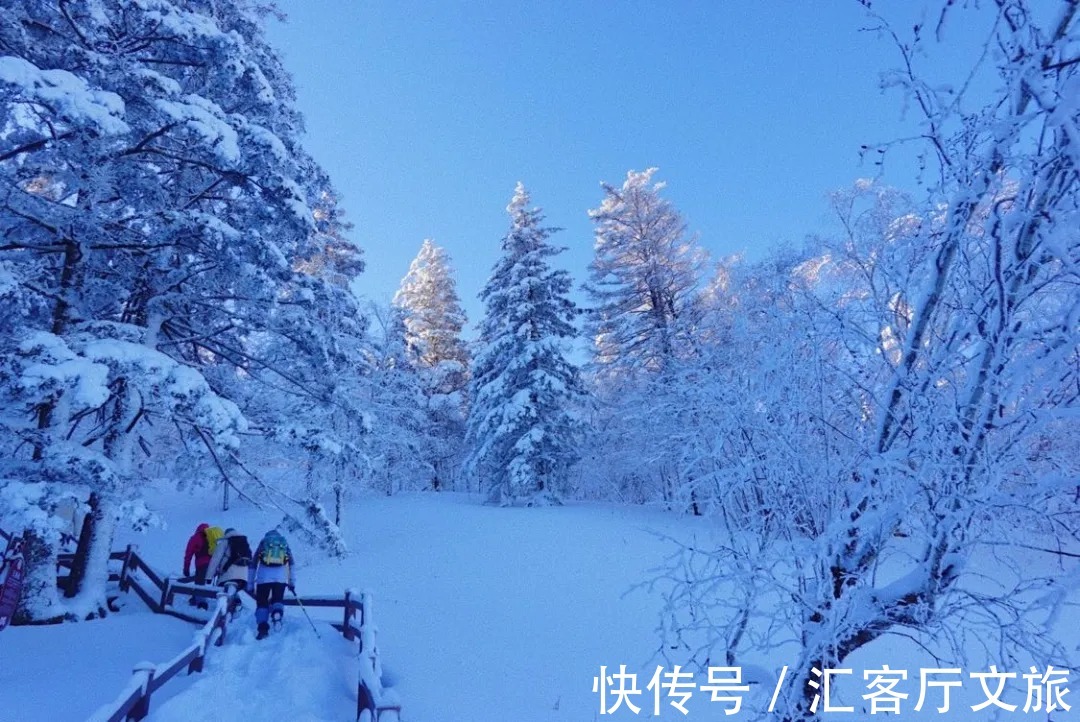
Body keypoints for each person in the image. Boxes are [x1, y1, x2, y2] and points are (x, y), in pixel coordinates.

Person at [248, 528, 297, 639]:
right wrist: (292, 582)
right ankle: (277, 611)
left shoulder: (263, 543)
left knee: (262, 603)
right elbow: (292, 564)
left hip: (263, 578)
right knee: (277, 599)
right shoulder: (283, 544)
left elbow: (253, 564)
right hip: (280, 578)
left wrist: (250, 584)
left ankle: (263, 628)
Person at [207, 528, 252, 614]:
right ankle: (234, 607)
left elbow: (215, 560)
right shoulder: (244, 542)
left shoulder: (225, 542)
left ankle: (224, 613)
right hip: (243, 576)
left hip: (228, 574)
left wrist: (209, 577)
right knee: (232, 590)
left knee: (225, 592)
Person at [183, 523, 214, 608]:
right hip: (213, 565)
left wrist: (186, 568)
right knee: (201, 582)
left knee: (199, 584)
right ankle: (195, 598)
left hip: (202, 565)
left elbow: (188, 554)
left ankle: (201, 605)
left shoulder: (195, 538)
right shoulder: (211, 537)